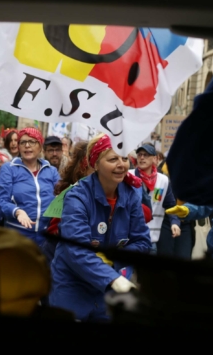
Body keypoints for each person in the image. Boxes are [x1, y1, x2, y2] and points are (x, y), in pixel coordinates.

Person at [49, 133, 152, 322]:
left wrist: (114, 260)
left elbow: (143, 242)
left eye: (124, 158)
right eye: (113, 159)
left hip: (109, 286)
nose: (121, 164)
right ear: (95, 164)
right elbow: (77, 250)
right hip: (73, 284)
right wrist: (113, 279)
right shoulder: (77, 197)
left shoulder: (131, 195)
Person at [0, 127, 60, 245]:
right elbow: (1, 201)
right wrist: (18, 211)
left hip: (46, 237)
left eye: (32, 142)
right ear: (19, 147)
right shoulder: (9, 169)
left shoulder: (51, 171)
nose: (27, 145)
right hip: (17, 237)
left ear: (40, 146)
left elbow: (61, 197)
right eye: (23, 142)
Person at [130, 143, 180, 255]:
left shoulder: (163, 180)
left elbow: (171, 205)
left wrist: (174, 222)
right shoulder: (129, 176)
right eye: (139, 155)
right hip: (130, 241)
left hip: (151, 241)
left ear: (154, 158)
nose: (142, 157)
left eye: (146, 155)